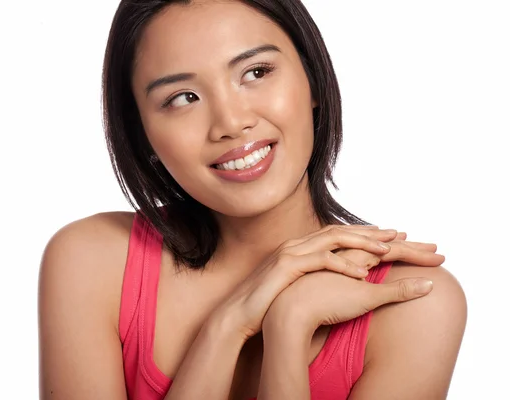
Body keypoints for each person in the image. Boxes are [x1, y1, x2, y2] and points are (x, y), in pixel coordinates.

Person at [38, 0, 467, 399]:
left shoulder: (413, 303)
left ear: (312, 79)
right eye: (182, 98)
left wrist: (289, 326)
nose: (231, 122)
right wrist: (227, 327)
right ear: (143, 132)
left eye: (256, 72)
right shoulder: (92, 262)